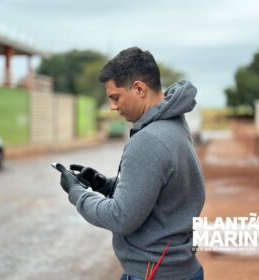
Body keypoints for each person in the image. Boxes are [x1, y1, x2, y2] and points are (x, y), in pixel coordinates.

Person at [58, 47, 205, 280]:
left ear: (139, 88)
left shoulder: (149, 139)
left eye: (115, 97)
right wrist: (105, 185)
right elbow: (162, 189)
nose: (112, 107)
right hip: (178, 269)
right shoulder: (174, 123)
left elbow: (121, 217)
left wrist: (77, 193)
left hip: (155, 273)